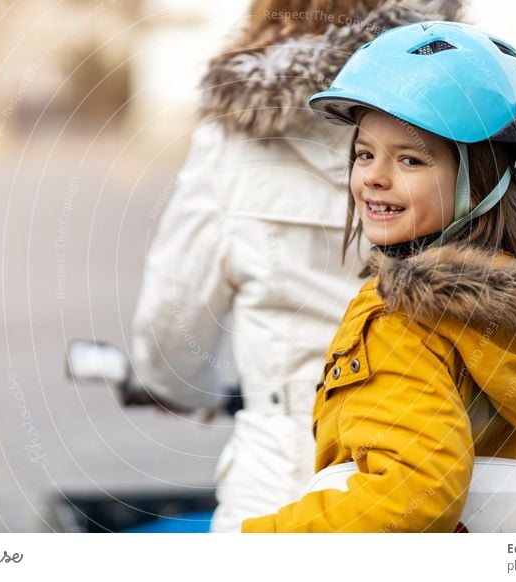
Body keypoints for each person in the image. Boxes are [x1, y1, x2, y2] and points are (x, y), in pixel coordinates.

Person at [241, 20, 516, 533]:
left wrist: (252, 544)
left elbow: (412, 492)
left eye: (410, 158)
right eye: (364, 153)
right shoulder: (515, 323)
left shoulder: (401, 323)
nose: (374, 176)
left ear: (482, 179)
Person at [130, 0, 466, 533]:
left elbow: (174, 308)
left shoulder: (231, 138)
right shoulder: (454, 114)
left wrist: (178, 387)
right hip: (432, 458)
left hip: (280, 471)